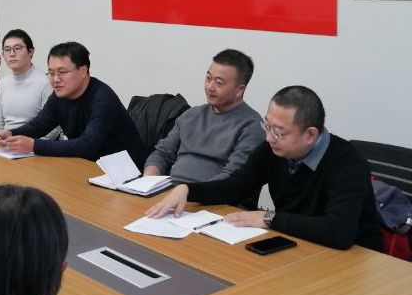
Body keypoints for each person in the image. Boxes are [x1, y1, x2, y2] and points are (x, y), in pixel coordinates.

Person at [146, 86, 382, 250]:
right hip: (297, 245)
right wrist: (188, 189)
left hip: (353, 260)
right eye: (267, 126)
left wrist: (268, 218)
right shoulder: (273, 149)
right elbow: (235, 187)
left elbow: (338, 231)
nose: (269, 138)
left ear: (311, 135)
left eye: (278, 132)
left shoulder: (347, 163)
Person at [0, 42, 149, 167]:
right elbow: (40, 125)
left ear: (83, 71)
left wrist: (34, 145)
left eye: (62, 72)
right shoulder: (60, 94)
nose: (55, 79)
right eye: (51, 73)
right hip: (88, 166)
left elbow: (87, 146)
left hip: (126, 173)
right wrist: (12, 134)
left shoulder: (103, 99)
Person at [143, 49, 265, 183]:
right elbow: (162, 153)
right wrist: (148, 181)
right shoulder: (191, 115)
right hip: (172, 190)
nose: (210, 87)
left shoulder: (252, 126)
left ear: (239, 90)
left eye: (219, 82)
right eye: (208, 78)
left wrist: (186, 191)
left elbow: (232, 178)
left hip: (212, 194)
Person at [0, 29, 57, 138]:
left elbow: (53, 129)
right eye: (7, 50)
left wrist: (34, 145)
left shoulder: (45, 83)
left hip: (34, 145)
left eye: (17, 48)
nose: (12, 54)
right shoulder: (3, 83)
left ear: (31, 51)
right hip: (6, 143)